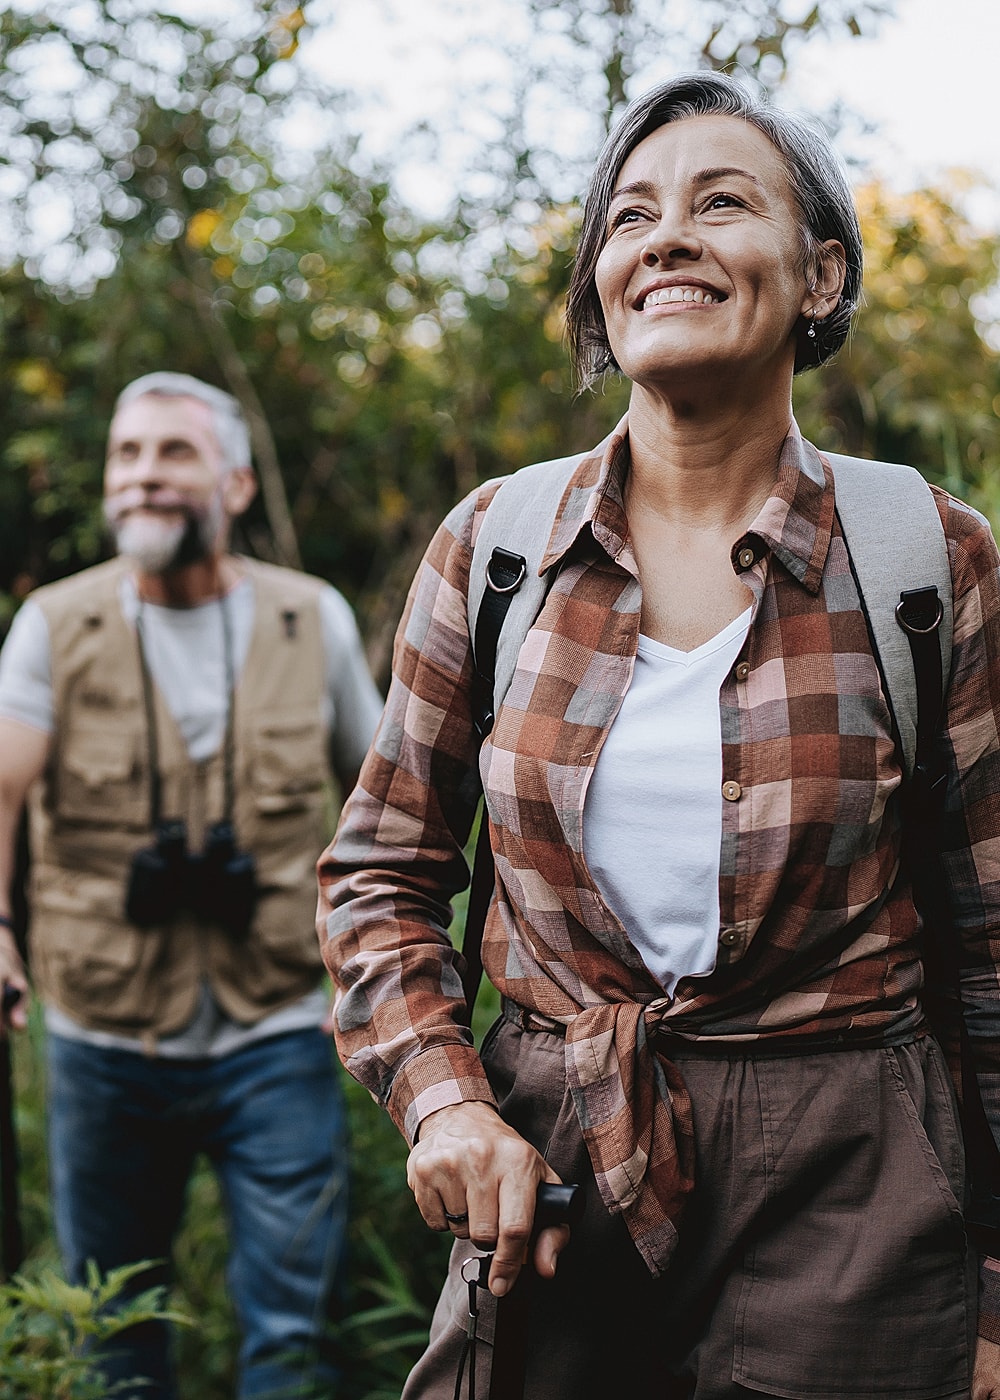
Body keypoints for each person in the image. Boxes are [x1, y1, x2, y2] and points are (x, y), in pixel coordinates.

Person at [316, 72, 1000, 1400]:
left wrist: (995, 1291)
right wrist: (448, 1101)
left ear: (821, 276)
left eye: (721, 202)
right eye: (628, 220)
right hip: (556, 1160)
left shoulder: (925, 555)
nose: (664, 238)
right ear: (601, 289)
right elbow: (382, 874)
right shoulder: (498, 549)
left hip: (855, 1165)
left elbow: (992, 941)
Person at [0, 372, 383, 1399]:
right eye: (127, 455)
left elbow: (382, 804)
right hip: (101, 1038)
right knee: (112, 1330)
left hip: (279, 1028)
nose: (142, 477)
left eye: (172, 453)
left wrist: (376, 958)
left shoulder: (314, 619)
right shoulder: (53, 622)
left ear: (238, 483)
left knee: (293, 1338)